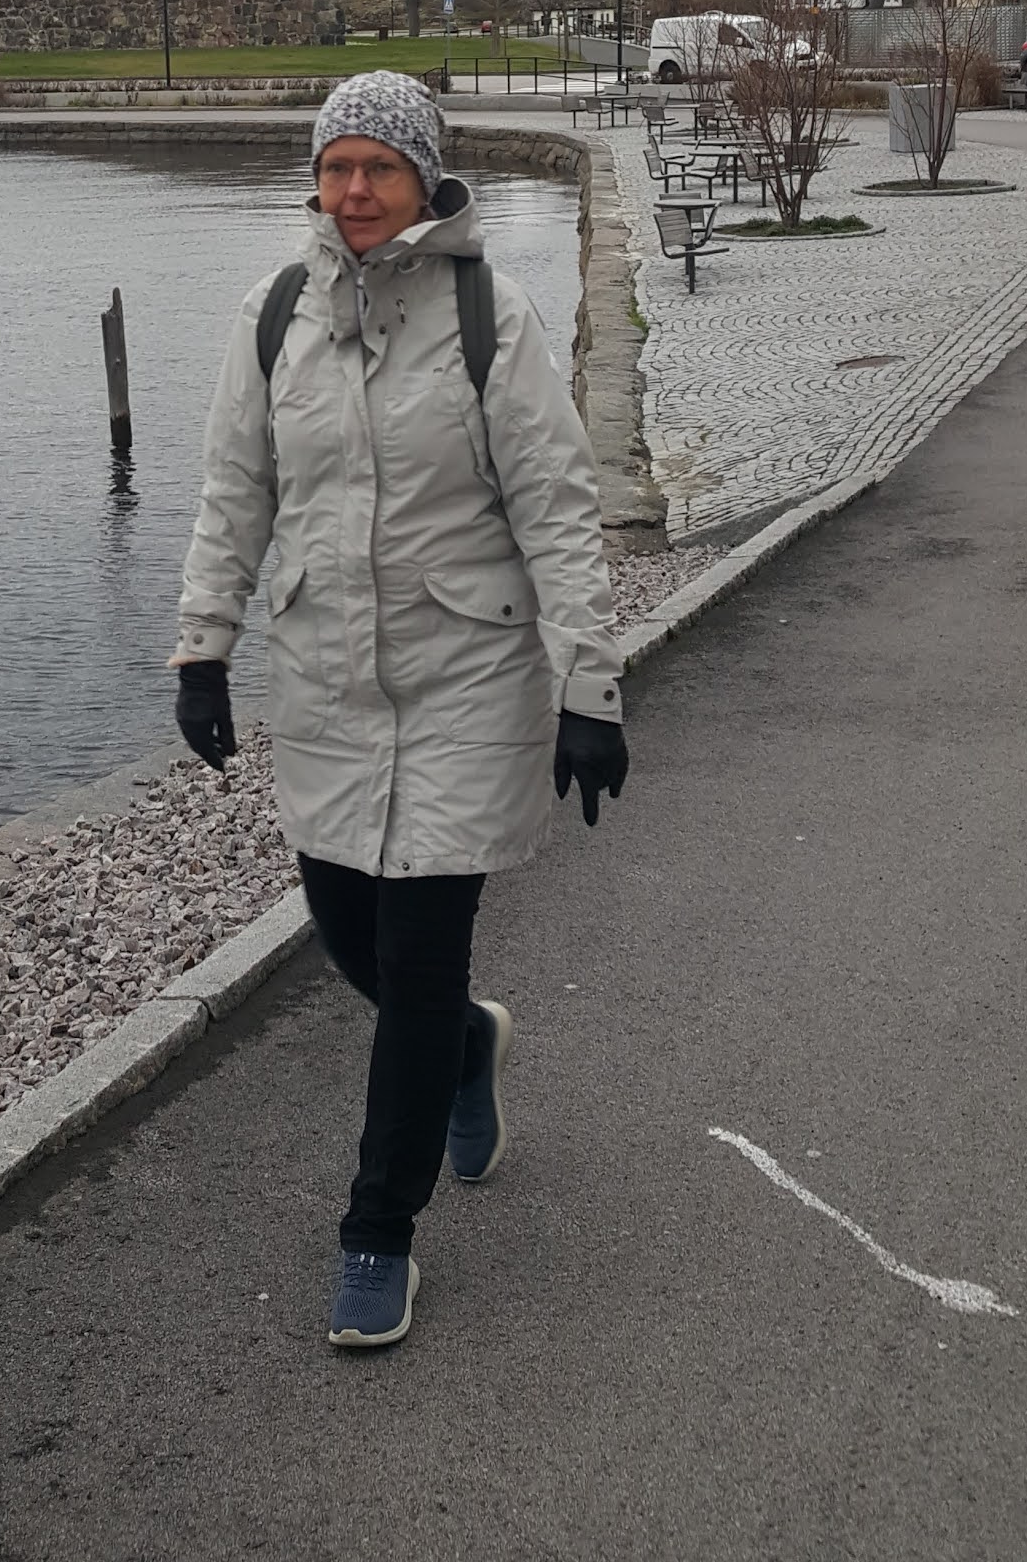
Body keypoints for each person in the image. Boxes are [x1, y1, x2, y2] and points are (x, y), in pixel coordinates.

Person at [170, 70, 629, 1349]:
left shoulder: (490, 315)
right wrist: (203, 650)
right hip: (327, 678)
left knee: (420, 961)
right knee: (347, 930)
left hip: (466, 674)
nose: (356, 190)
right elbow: (234, 493)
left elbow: (557, 510)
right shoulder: (276, 313)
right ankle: (468, 1047)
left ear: (426, 178)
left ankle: (379, 1230)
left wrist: (589, 686)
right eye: (337, 167)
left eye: (379, 166)